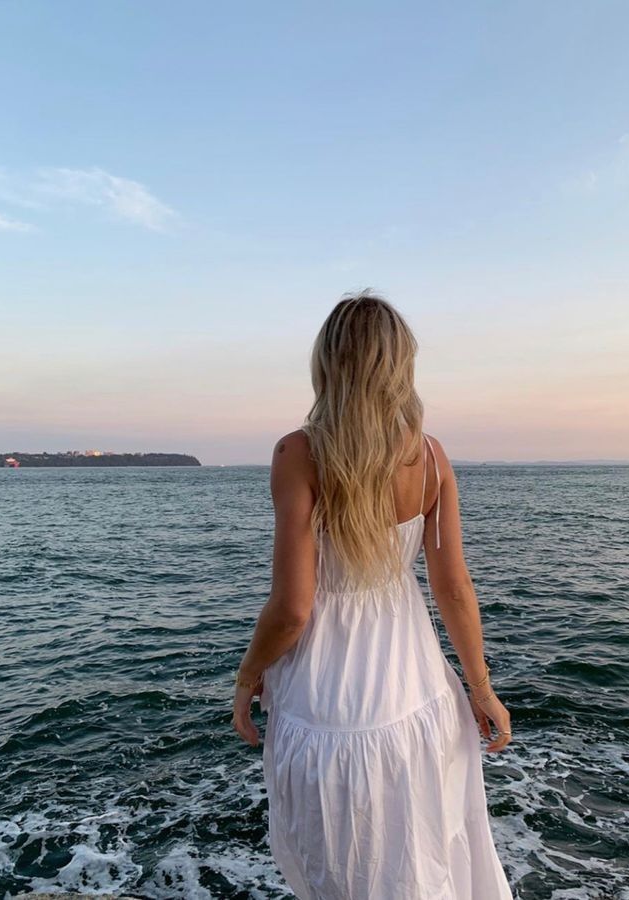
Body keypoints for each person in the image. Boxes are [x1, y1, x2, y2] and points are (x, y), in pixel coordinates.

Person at [233, 291, 514, 899]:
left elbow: (293, 609)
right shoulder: (431, 458)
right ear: (400, 367)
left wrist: (247, 676)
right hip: (416, 695)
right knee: (424, 862)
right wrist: (481, 686)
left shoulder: (300, 454)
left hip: (326, 705)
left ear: (328, 362)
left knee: (341, 871)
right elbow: (454, 587)